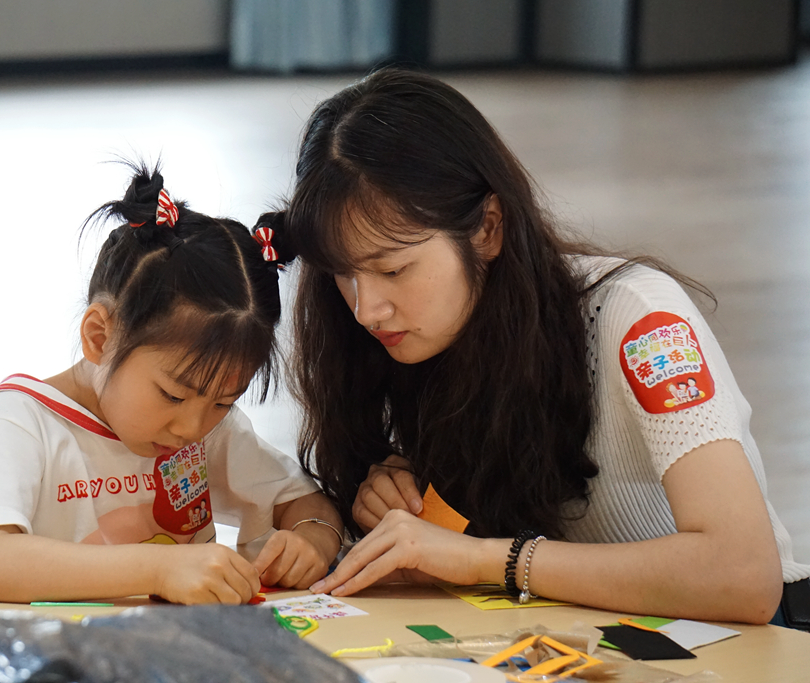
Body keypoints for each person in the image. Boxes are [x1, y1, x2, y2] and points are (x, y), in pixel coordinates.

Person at [278, 68, 809, 625]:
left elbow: (743, 577)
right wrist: (402, 507)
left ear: (488, 228)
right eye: (343, 274)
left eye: (393, 269)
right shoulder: (392, 342)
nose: (365, 310)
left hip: (747, 641)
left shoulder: (640, 321)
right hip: (577, 633)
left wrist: (486, 559)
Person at [0, 165, 342, 605]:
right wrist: (160, 570)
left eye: (223, 402)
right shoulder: (20, 421)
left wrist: (311, 540)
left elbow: (306, 503)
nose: (192, 428)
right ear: (99, 337)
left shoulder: (209, 429)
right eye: (173, 395)